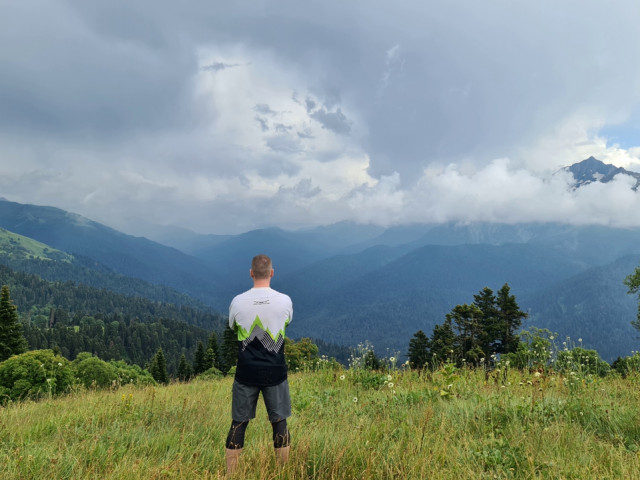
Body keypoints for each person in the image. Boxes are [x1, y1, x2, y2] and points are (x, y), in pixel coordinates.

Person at [225, 254, 293, 475]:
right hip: (275, 371)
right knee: (279, 421)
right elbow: (287, 321)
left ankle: (231, 474)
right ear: (272, 273)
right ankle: (282, 472)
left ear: (251, 273)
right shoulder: (285, 300)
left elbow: (233, 326)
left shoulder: (237, 301)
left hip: (246, 371)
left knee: (239, 423)